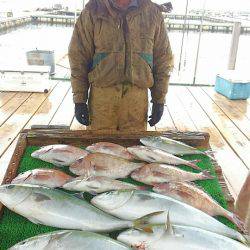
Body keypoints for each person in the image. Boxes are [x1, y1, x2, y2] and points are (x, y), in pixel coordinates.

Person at [68, 0, 173, 131]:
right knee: (99, 149)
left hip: (137, 104)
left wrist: (159, 99)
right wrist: (79, 100)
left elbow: (163, 59)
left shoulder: (153, 13)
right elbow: (78, 57)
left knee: (133, 149)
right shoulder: (93, 10)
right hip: (102, 102)